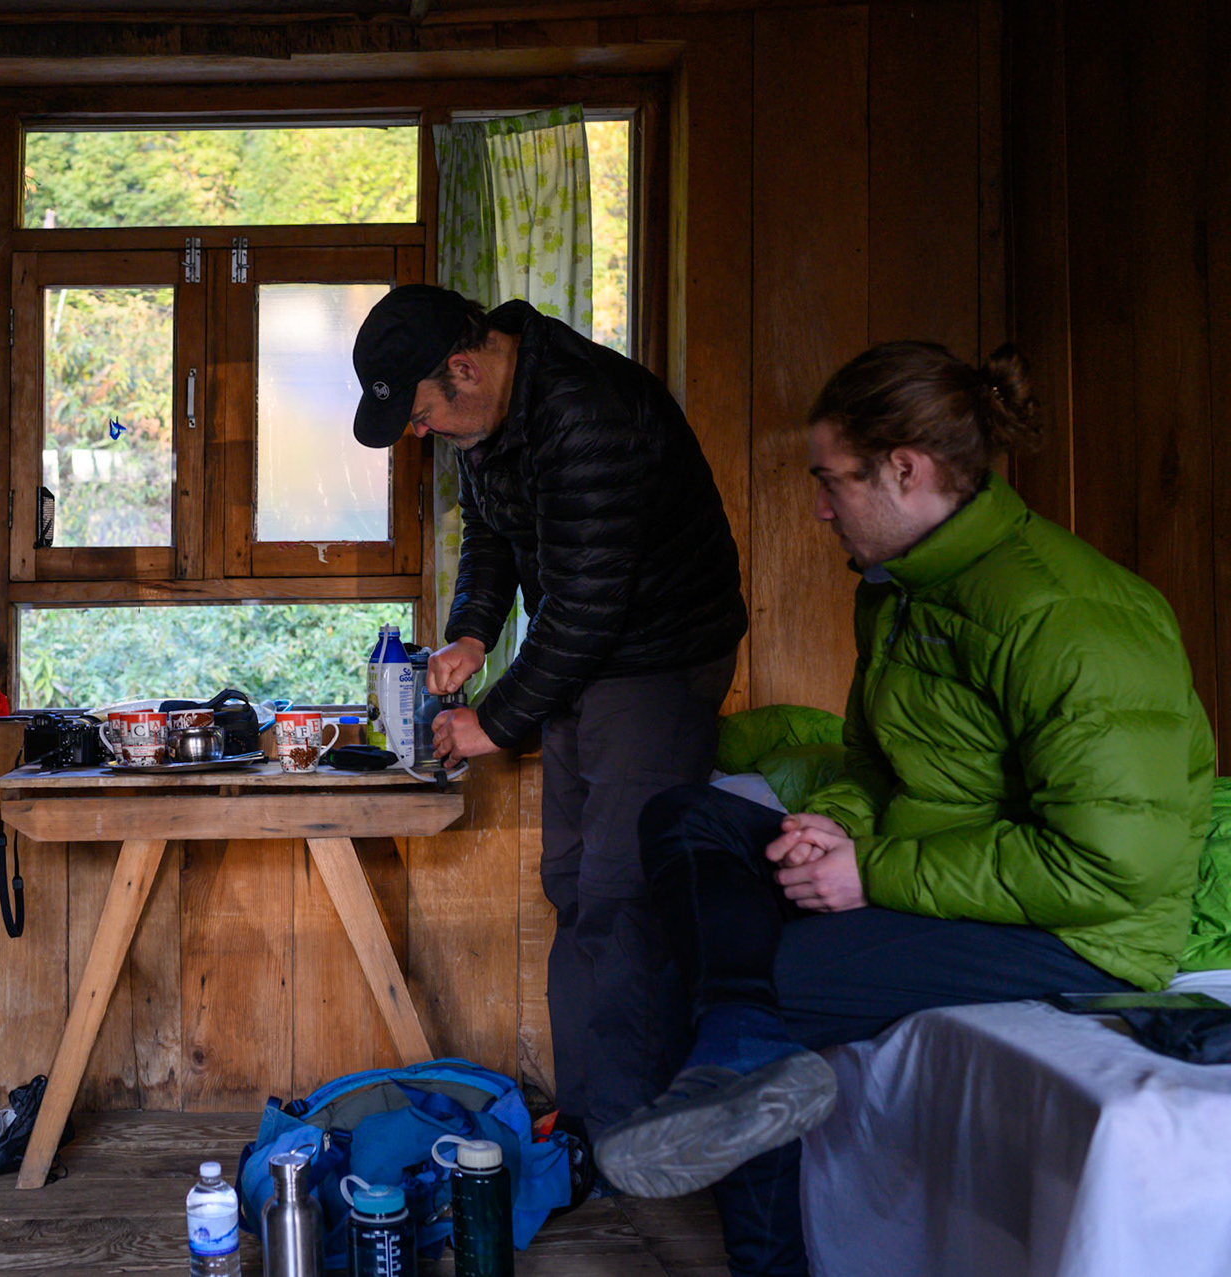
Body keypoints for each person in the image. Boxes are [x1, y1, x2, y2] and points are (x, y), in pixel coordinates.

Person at [592, 341, 1217, 1275]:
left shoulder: (1068, 614)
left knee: (779, 973)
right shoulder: (902, 590)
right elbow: (875, 764)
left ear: (906, 470)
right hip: (947, 868)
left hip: (1086, 928)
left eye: (829, 480)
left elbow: (1110, 865)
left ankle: (755, 1136)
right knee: (687, 814)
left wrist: (869, 870)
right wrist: (834, 823)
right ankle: (741, 1043)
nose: (818, 505)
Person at [349, 285, 748, 1146]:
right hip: (591, 653)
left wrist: (491, 723)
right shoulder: (486, 417)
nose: (419, 433)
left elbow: (588, 607)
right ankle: (591, 1116)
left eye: (419, 415)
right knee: (571, 880)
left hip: (660, 655)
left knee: (620, 889)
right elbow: (493, 533)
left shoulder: (586, 412)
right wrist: (470, 632)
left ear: (462, 366)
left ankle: (636, 1130)